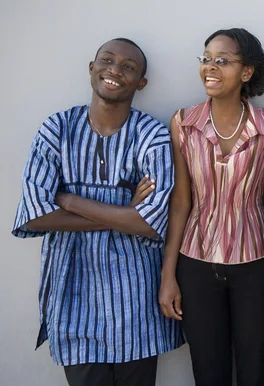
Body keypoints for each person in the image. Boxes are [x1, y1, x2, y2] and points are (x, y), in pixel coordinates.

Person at [11, 38, 183, 386]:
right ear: (92, 68)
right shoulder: (56, 129)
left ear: (141, 83)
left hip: (137, 298)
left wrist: (69, 200)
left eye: (129, 67)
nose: (115, 71)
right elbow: (35, 215)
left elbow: (150, 223)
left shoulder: (152, 135)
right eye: (107, 60)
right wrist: (124, 213)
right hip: (72, 293)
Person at [158, 28, 264, 386]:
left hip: (257, 267)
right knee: (208, 372)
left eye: (222, 61)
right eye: (206, 59)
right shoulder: (183, 123)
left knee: (257, 370)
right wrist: (168, 276)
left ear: (246, 72)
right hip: (195, 265)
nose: (210, 67)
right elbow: (181, 202)